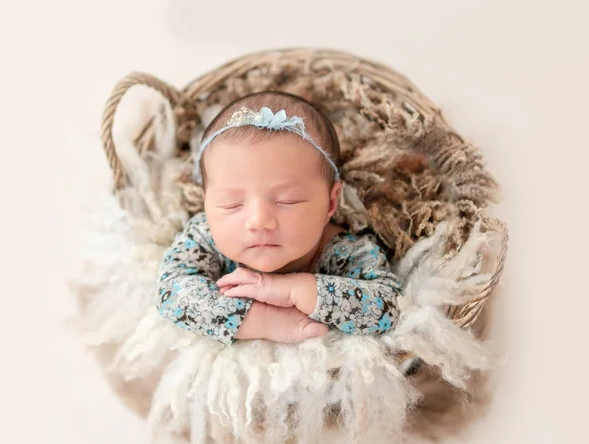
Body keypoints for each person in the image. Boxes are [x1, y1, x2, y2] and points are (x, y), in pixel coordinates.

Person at [156, 90, 407, 350]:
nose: (258, 221)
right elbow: (172, 293)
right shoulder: (204, 237)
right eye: (231, 204)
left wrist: (294, 290)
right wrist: (262, 320)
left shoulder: (345, 252)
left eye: (287, 201)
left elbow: (389, 307)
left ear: (331, 203)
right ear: (206, 203)